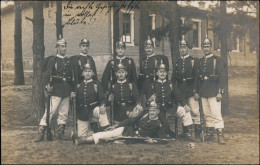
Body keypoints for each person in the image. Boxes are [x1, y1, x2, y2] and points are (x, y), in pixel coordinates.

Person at [72, 101, 167, 145]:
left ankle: (83, 140)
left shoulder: (158, 124)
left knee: (110, 140)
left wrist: (153, 142)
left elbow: (163, 139)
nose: (151, 112)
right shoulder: (143, 114)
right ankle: (82, 140)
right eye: (150, 110)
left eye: (154, 111)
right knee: (108, 133)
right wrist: (117, 125)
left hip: (134, 138)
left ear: (158, 111)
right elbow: (130, 120)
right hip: (127, 130)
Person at [34, 36, 73, 142]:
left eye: (65, 46)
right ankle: (40, 133)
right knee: (50, 111)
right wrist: (47, 86)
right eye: (61, 46)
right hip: (56, 89)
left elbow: (71, 76)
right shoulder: (53, 60)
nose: (64, 48)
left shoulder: (68, 61)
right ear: (57, 48)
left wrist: (72, 89)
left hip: (66, 90)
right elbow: (46, 75)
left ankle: (61, 133)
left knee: (64, 112)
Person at [147, 60, 195, 141]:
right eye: (160, 72)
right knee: (162, 127)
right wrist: (150, 99)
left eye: (164, 72)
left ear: (166, 74)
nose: (162, 74)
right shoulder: (153, 85)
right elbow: (147, 101)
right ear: (157, 73)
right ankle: (166, 133)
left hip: (171, 108)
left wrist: (185, 105)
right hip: (159, 110)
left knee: (185, 111)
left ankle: (187, 133)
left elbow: (179, 96)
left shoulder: (170, 84)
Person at [197, 35, 226, 144]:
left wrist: (220, 91)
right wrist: (197, 91)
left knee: (216, 113)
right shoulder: (200, 61)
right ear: (202, 48)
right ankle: (210, 133)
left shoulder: (217, 60)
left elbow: (222, 77)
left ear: (211, 47)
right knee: (207, 114)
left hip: (214, 91)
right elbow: (198, 78)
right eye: (204, 46)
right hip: (204, 91)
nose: (206, 48)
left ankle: (220, 134)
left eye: (208, 46)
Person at [172, 35, 202, 140]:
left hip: (191, 89)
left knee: (194, 111)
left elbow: (196, 78)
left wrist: (196, 91)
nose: (182, 49)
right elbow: (174, 79)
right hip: (181, 90)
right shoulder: (177, 62)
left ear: (187, 48)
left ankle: (197, 134)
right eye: (181, 48)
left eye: (184, 47)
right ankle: (186, 133)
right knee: (185, 111)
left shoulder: (193, 61)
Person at [71, 60, 110, 138]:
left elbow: (102, 98)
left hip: (93, 109)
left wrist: (103, 105)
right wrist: (72, 97)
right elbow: (76, 102)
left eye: (89, 71)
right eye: (85, 71)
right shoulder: (78, 85)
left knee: (101, 111)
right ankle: (95, 133)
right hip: (82, 112)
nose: (87, 73)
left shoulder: (96, 85)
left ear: (92, 73)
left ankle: (106, 130)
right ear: (83, 73)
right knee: (81, 135)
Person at [137, 36, 169, 105]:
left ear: (153, 48)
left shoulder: (157, 59)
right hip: (144, 84)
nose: (148, 49)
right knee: (145, 103)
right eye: (147, 48)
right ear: (145, 49)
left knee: (153, 103)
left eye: (150, 48)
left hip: (154, 84)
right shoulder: (143, 60)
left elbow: (161, 74)